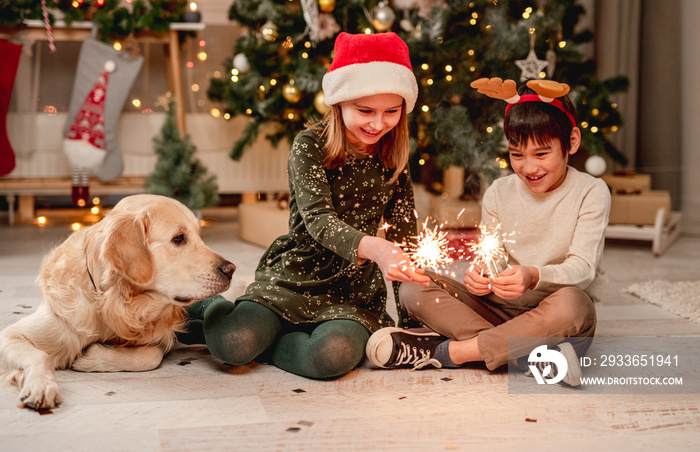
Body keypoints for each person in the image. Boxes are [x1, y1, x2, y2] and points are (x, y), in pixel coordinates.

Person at [179, 32, 430, 379]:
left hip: (352, 293)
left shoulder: (394, 157)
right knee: (233, 345)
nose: (377, 123)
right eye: (365, 110)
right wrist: (375, 248)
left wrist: (412, 324)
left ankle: (273, 336)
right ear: (339, 102)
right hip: (296, 276)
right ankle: (210, 311)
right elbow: (318, 221)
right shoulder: (309, 145)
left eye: (391, 111)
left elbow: (406, 240)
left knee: (331, 356)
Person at [365, 78, 611, 386]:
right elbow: (493, 256)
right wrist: (480, 274)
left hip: (555, 319)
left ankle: (450, 352)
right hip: (498, 311)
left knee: (576, 304)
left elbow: (584, 269)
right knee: (414, 287)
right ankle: (528, 356)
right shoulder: (499, 191)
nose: (528, 167)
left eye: (542, 154)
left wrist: (533, 276)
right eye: (517, 154)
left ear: (571, 142)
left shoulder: (591, 191)